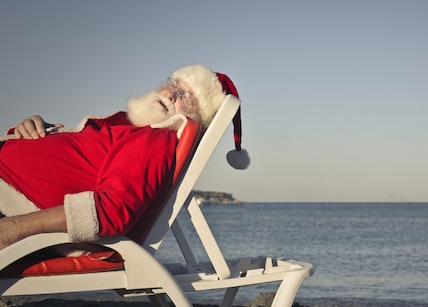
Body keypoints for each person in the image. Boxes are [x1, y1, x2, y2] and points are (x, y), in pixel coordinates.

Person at [0, 64, 249, 251]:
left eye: (188, 96)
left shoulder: (154, 140)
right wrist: (32, 130)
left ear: (198, 119)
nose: (172, 94)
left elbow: (111, 212)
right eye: (174, 84)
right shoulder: (131, 128)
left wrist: (14, 229)